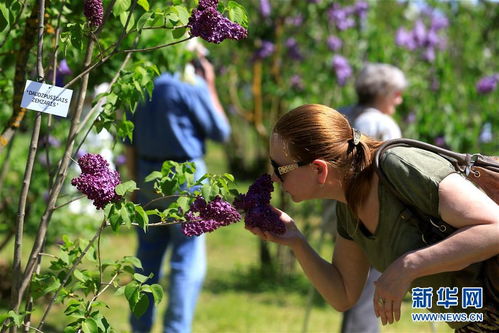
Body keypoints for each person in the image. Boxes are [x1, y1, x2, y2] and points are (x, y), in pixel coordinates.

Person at [247, 104, 499, 332]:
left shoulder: (398, 167)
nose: (274, 178)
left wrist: (407, 266)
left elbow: (494, 226)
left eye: (279, 168)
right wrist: (297, 241)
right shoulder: (348, 205)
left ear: (318, 169)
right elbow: (343, 294)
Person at [125, 44, 231, 333]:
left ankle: (140, 327)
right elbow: (221, 131)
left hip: (146, 177)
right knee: (187, 260)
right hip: (186, 179)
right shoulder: (189, 85)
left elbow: (128, 141)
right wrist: (209, 85)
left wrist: (133, 185)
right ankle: (176, 329)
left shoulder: (140, 86)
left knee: (145, 261)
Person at [338, 63, 407, 333]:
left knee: (350, 282)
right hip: (376, 215)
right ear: (384, 92)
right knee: (371, 286)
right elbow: (396, 172)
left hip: (343, 210)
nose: (399, 100)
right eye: (397, 93)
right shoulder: (381, 123)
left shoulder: (343, 115)